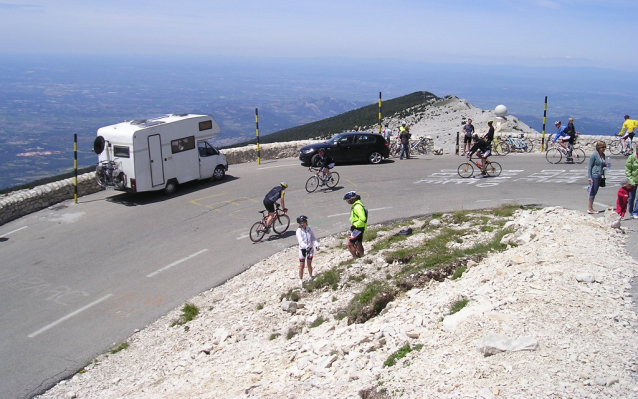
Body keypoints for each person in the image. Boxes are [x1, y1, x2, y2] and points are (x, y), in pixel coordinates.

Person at [295, 215, 319, 285]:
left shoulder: (309, 229)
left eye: (303, 222)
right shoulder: (298, 231)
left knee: (309, 264)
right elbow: (300, 241)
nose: (302, 224)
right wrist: (306, 247)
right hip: (303, 250)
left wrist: (316, 244)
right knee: (302, 265)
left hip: (310, 249)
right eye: (301, 223)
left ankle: (311, 276)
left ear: (306, 222)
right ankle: (300, 279)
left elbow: (313, 238)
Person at [343, 191, 367, 258]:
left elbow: (363, 218)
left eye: (348, 200)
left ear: (352, 199)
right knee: (359, 243)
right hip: (360, 227)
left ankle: (355, 258)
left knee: (349, 244)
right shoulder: (358, 205)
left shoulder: (357, 207)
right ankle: (361, 256)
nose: (347, 202)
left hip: (358, 228)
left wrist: (355, 225)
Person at [587, 141, 608, 214]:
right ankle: (590, 208)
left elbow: (603, 164)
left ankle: (591, 207)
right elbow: (590, 166)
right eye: (602, 147)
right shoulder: (594, 155)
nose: (604, 149)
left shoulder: (603, 155)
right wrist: (589, 177)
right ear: (599, 148)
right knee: (593, 191)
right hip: (595, 174)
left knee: (595, 191)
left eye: (604, 147)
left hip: (600, 174)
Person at [624, 146, 638, 219]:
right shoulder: (632, 157)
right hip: (633, 180)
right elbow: (628, 170)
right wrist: (631, 181)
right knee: (631, 197)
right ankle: (631, 211)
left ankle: (636, 212)